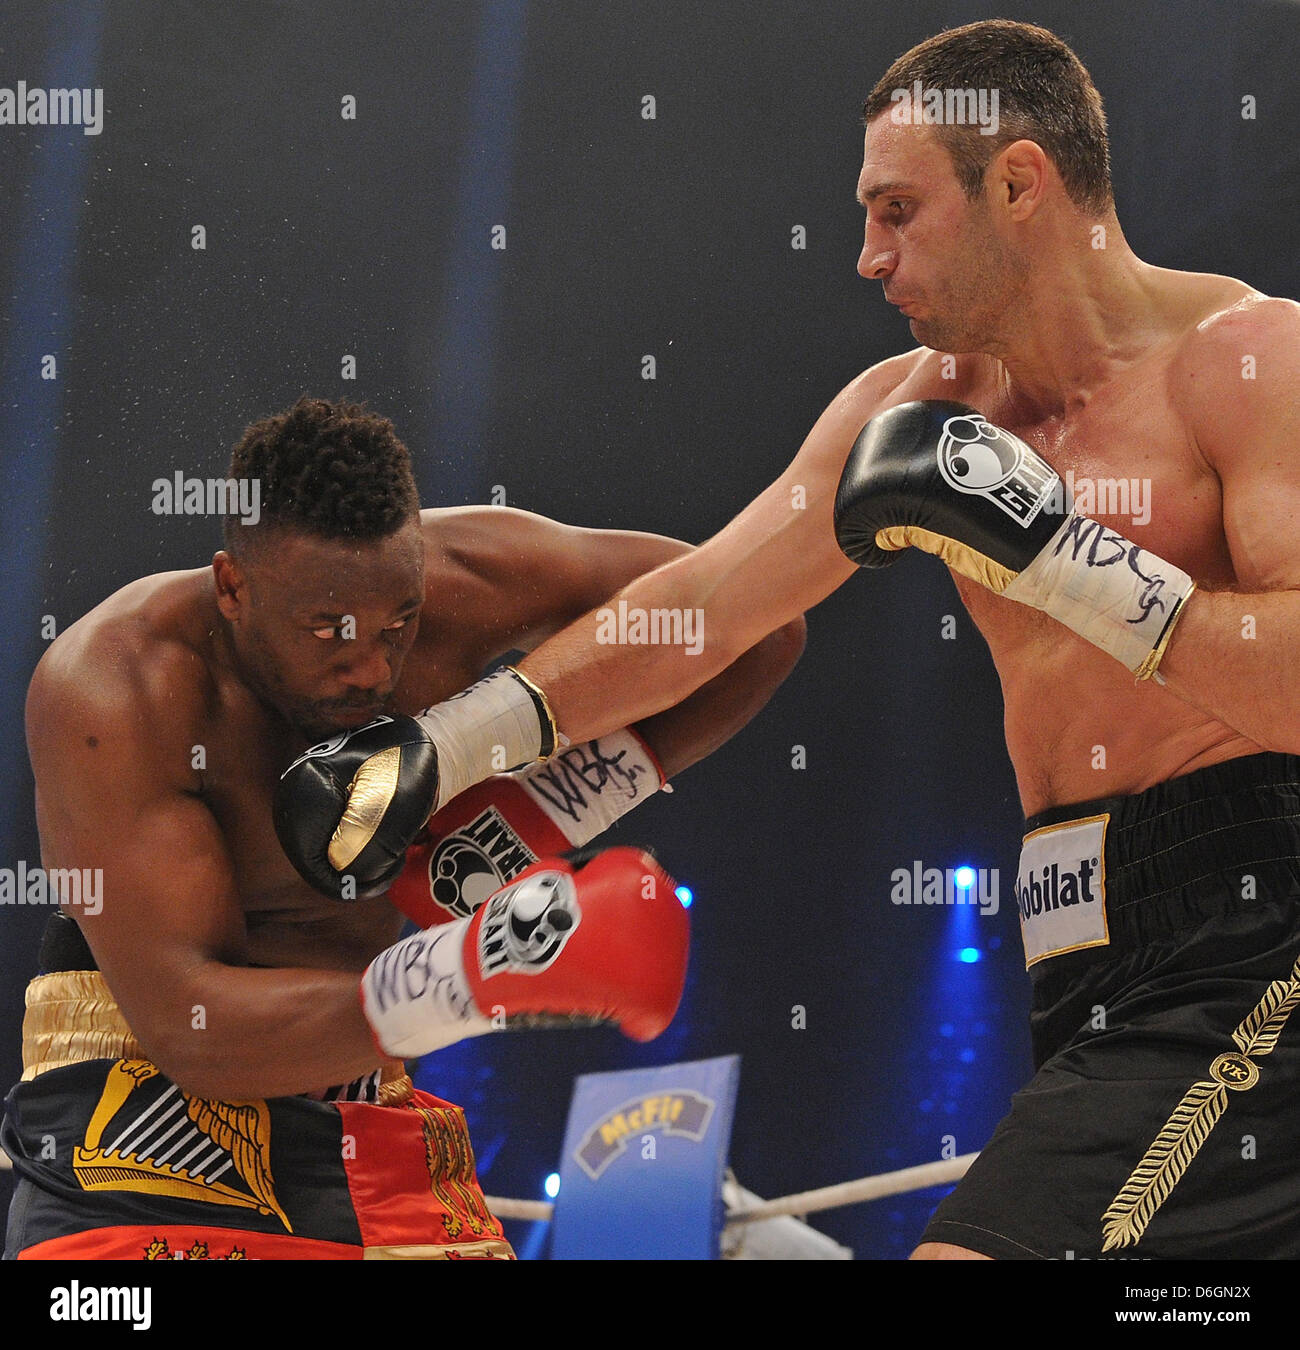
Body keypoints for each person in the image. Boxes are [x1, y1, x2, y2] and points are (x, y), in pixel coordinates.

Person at [289, 19, 1300, 1259]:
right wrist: (442, 748)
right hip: (1081, 951)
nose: (868, 256)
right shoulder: (910, 407)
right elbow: (705, 612)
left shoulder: (1249, 365)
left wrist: (1069, 565)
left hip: (1259, 921)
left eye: (897, 209)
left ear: (1020, 184)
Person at [3, 395, 805, 1260]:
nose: (373, 668)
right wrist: (483, 966)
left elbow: (754, 624)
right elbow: (188, 1022)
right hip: (141, 1098)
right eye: (327, 632)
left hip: (363, 1087)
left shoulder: (475, 580)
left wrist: (526, 814)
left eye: (400, 624)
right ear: (233, 587)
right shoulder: (120, 686)